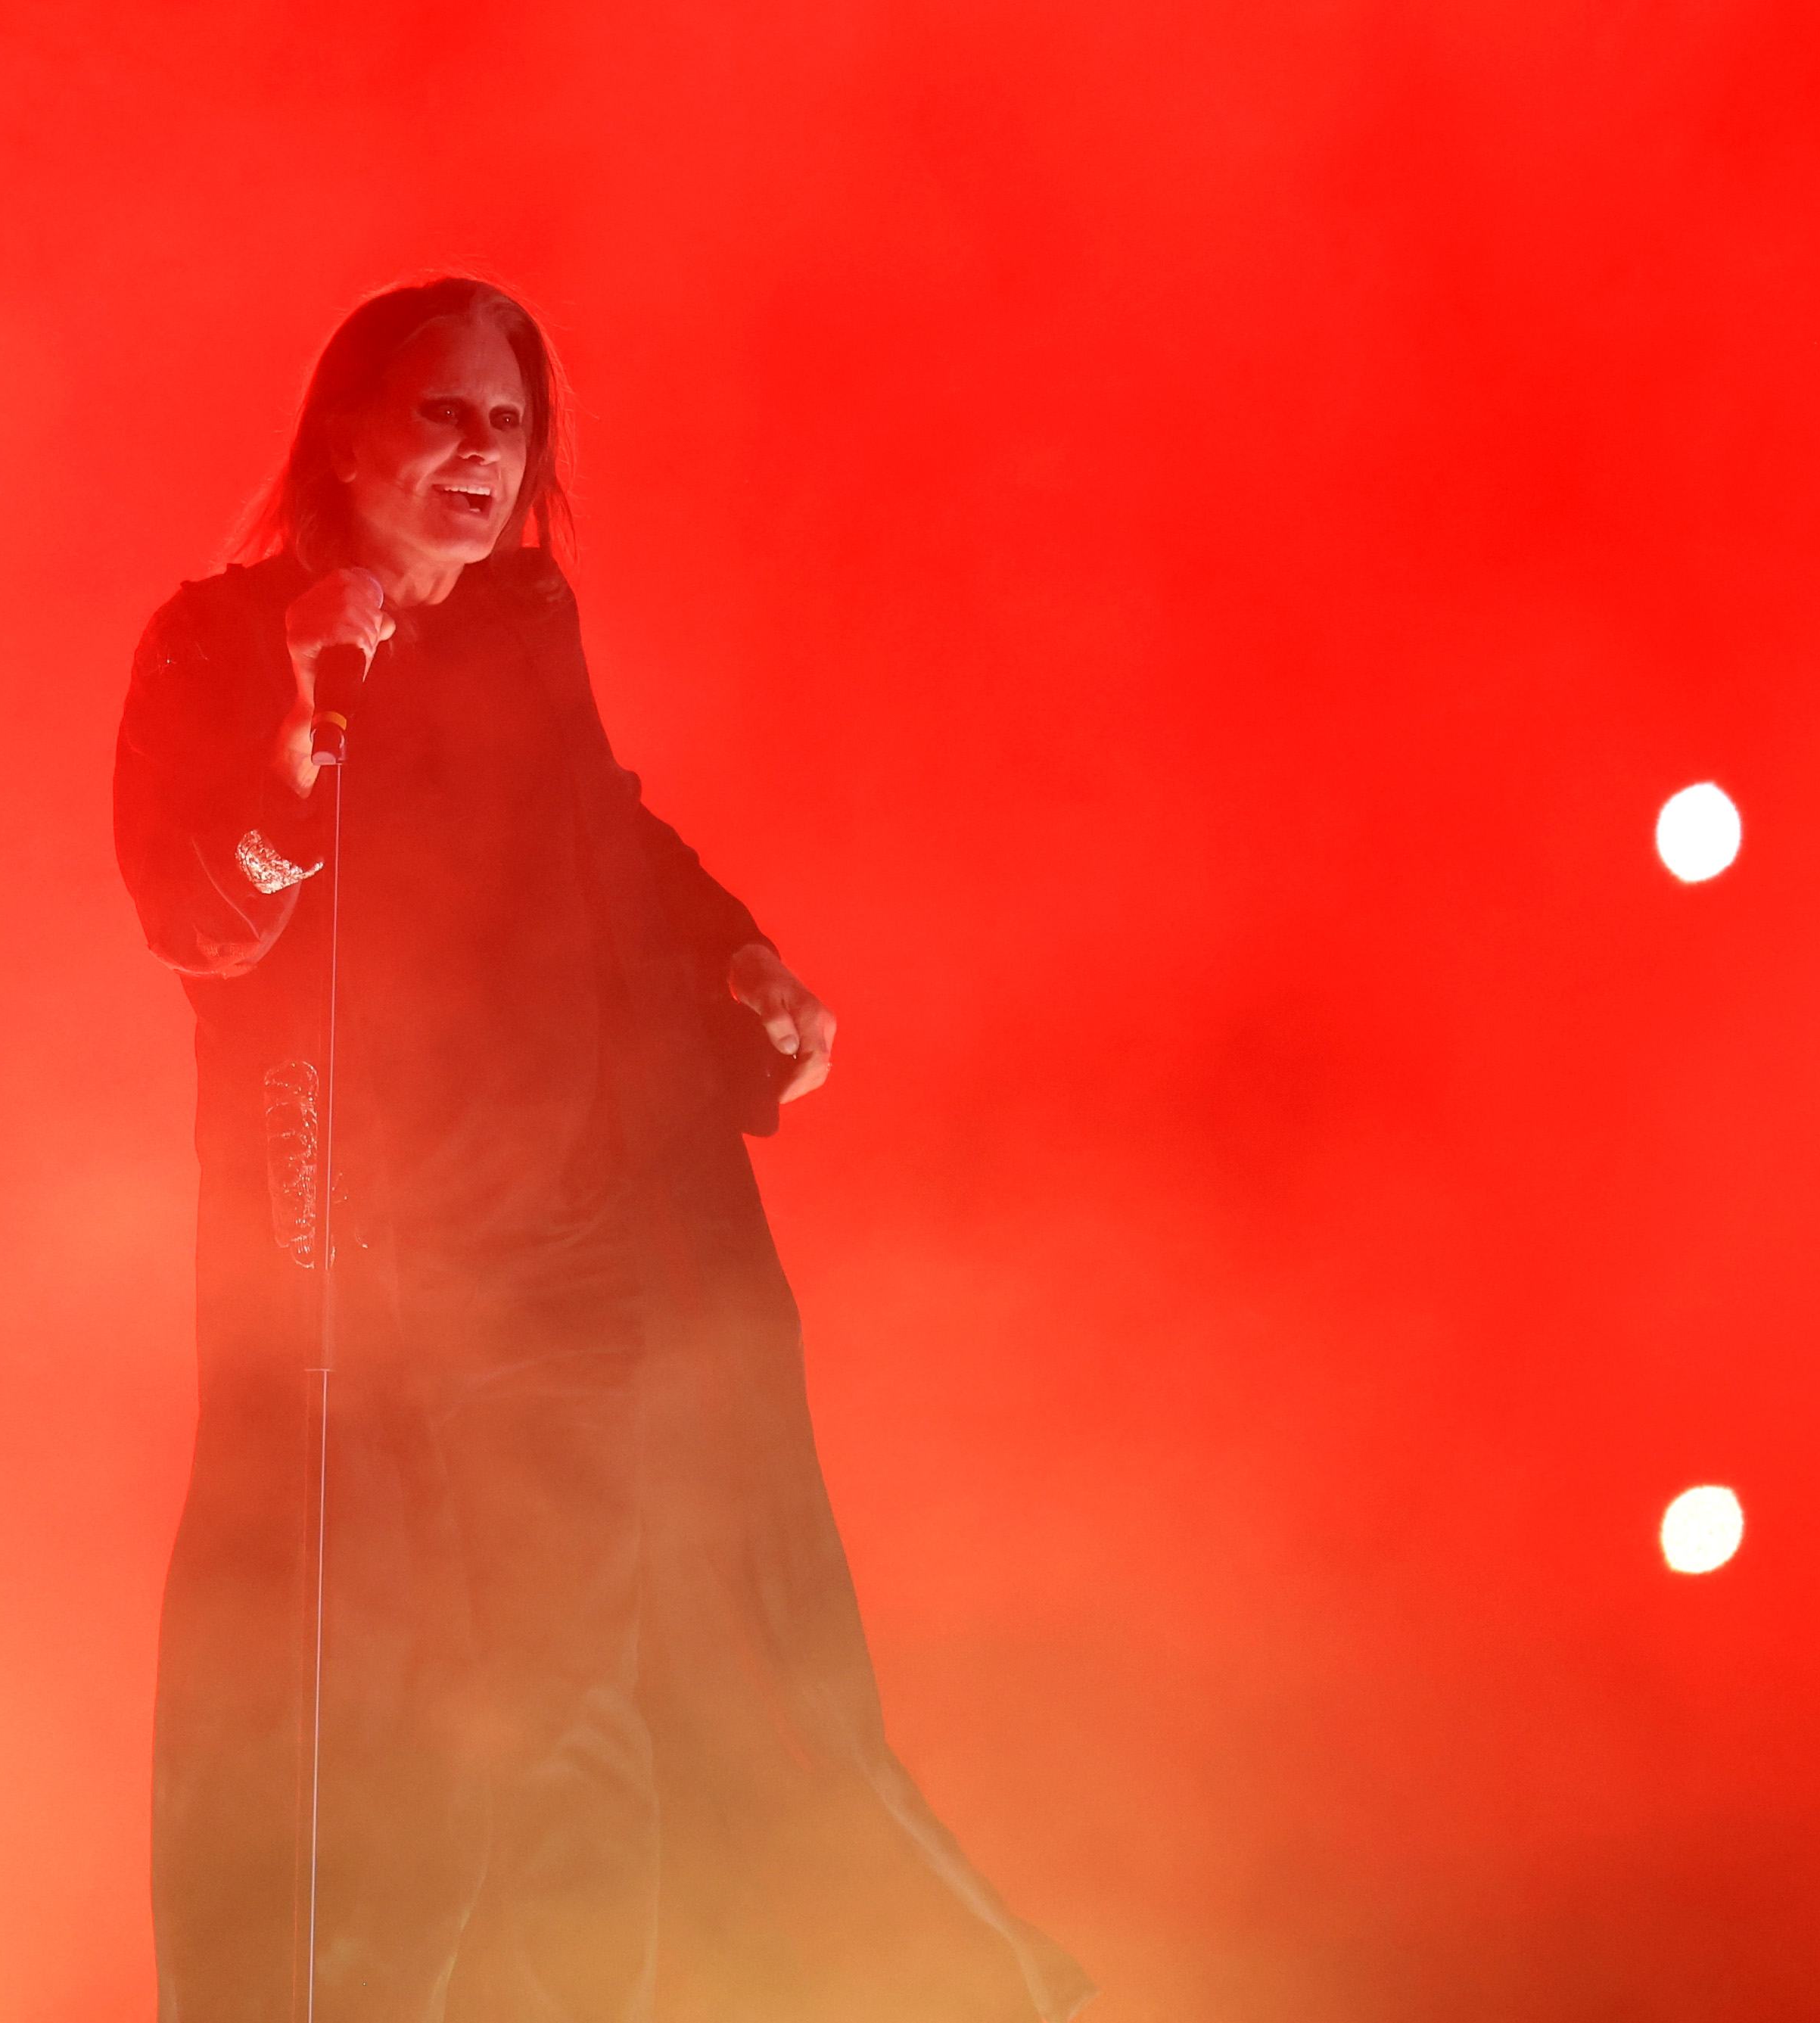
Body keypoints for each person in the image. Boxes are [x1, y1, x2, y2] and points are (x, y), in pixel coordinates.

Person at [114, 275, 1092, 2023]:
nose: (479, 455)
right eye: (442, 414)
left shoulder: (519, 629)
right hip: (366, 1297)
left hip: (572, 1270)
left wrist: (739, 957)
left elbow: (605, 834)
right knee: (374, 1729)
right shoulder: (217, 638)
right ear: (344, 437)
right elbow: (199, 916)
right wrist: (305, 709)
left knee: (585, 1716)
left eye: (508, 426)